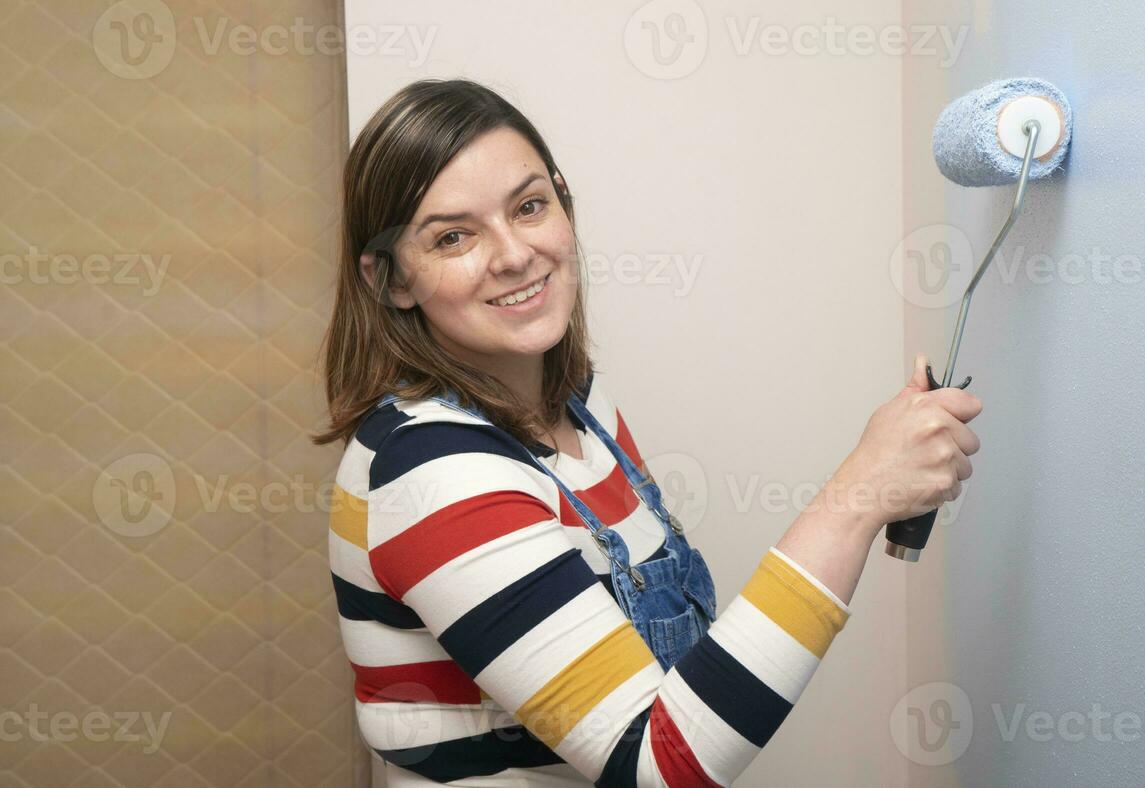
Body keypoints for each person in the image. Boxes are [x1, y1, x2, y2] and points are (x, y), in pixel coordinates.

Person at [312, 79, 982, 785]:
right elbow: (656, 767)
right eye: (453, 236)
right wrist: (858, 496)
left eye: (529, 206)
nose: (513, 254)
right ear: (391, 280)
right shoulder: (433, 474)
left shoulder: (577, 400)